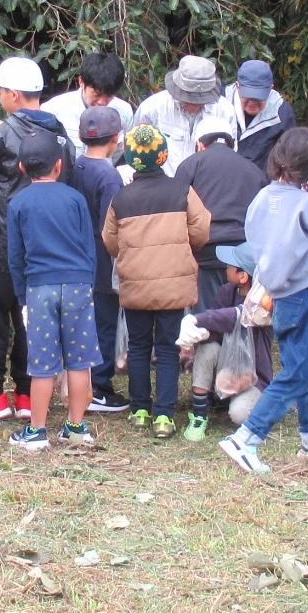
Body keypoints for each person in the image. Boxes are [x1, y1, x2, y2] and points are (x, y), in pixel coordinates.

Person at [218, 128, 308, 473]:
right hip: (306, 293)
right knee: (297, 371)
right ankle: (246, 438)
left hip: (278, 292)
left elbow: (257, 235)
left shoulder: (263, 198)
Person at [0, 56, 80, 421]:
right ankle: (29, 393)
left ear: (13, 94)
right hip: (46, 248)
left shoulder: (1, 132)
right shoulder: (61, 135)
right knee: (35, 320)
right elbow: (70, 180)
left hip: (0, 245)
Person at [102, 124, 210, 438]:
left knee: (137, 346)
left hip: (135, 284)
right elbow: (201, 230)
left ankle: (138, 410)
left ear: (131, 160)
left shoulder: (121, 199)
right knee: (166, 349)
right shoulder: (182, 190)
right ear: (162, 155)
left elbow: (110, 241)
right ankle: (164, 416)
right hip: (173, 287)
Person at [5, 133, 105, 451]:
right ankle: (75, 426)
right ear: (59, 165)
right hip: (77, 284)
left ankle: (36, 431)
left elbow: (15, 256)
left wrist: (22, 297)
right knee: (79, 361)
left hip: (39, 287)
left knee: (42, 362)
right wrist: (88, 281)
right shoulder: (74, 199)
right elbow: (90, 247)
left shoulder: (18, 203)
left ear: (21, 167)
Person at [68, 106, 131, 413]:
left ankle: (82, 381)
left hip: (76, 250)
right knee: (104, 321)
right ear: (116, 139)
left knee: (83, 321)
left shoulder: (76, 165)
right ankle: (100, 387)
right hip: (101, 256)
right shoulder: (109, 176)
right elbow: (111, 225)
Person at [179, 242, 274, 441]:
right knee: (207, 348)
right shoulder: (226, 292)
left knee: (239, 415)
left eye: (231, 266)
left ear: (243, 276)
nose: (226, 268)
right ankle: (199, 414)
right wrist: (202, 334)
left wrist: (197, 319)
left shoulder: (262, 303)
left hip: (253, 377)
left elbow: (235, 315)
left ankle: (263, 405)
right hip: (226, 367)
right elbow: (217, 326)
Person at [172, 118, 268, 308]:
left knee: (205, 319)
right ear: (233, 144)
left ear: (200, 144)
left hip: (205, 252)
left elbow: (177, 211)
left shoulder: (190, 165)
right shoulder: (254, 170)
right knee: (240, 316)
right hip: (244, 254)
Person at [133, 55, 237, 176]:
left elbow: (231, 156)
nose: (193, 105)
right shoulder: (152, 108)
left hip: (205, 185)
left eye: (199, 100)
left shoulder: (225, 111)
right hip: (164, 184)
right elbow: (136, 149)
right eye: (188, 99)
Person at [43, 50, 135, 141]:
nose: (102, 102)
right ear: (81, 82)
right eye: (97, 94)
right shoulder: (54, 110)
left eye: (109, 96)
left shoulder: (124, 112)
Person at [225, 59, 296, 173]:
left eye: (259, 97)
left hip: (262, 183)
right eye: (248, 96)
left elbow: (289, 159)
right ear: (237, 87)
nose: (252, 102)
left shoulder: (282, 113)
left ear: (270, 89)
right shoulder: (221, 104)